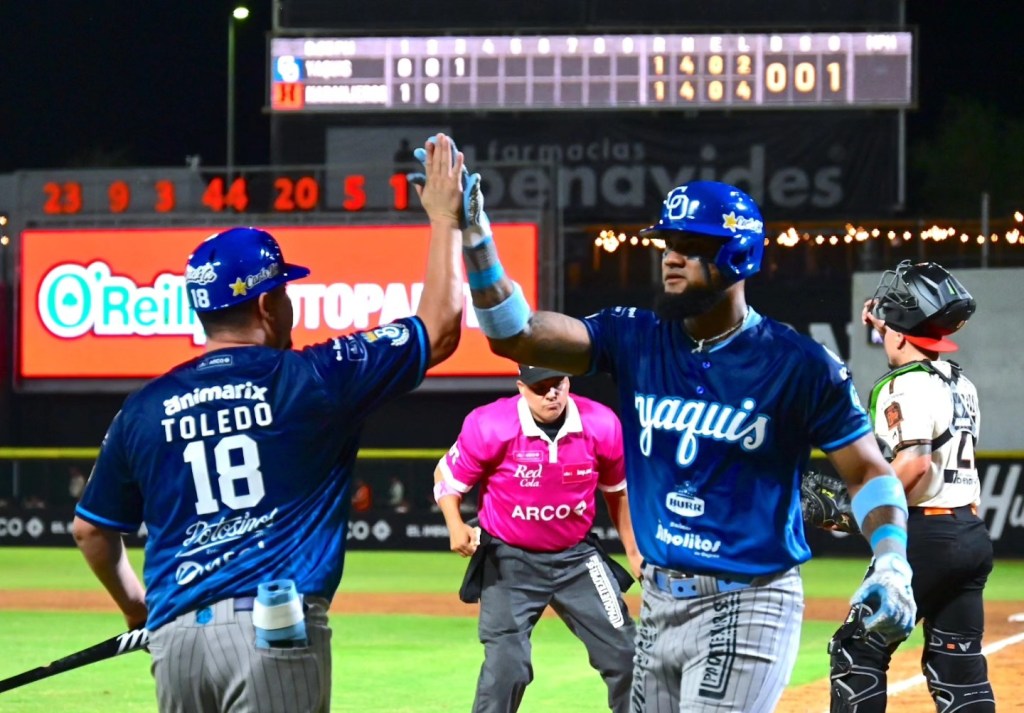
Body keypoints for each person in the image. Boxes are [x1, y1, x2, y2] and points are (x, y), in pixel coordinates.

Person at [435, 168, 919, 712]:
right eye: (668, 244)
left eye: (691, 246)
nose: (670, 257)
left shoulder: (800, 365)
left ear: (739, 255)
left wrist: (891, 559)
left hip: (748, 599)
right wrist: (476, 236)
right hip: (661, 602)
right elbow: (516, 335)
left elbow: (868, 471)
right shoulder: (635, 338)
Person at [70, 133, 468, 713]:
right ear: (265, 305)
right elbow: (442, 327)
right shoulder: (313, 377)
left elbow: (91, 532)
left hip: (175, 643)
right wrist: (445, 219)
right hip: (272, 630)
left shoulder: (144, 407)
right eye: (284, 290)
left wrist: (139, 612)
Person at [828, 260, 995, 712]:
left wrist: (860, 510)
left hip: (924, 536)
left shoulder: (903, 385)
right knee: (959, 666)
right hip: (968, 530)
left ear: (900, 335)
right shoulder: (959, 383)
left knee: (856, 651)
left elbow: (915, 464)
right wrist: (884, 321)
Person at [433, 364, 641, 713]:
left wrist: (634, 553)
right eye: (540, 387)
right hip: (508, 560)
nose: (551, 394)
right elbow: (446, 477)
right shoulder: (490, 424)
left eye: (558, 384)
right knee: (507, 668)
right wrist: (455, 524)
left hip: (577, 559)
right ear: (521, 387)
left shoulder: (601, 424)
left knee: (627, 655)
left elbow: (617, 492)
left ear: (568, 381)